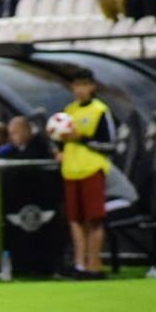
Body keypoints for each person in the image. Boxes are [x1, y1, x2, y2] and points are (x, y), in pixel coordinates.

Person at [58, 68, 116, 279]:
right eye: (76, 85)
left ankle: (95, 265)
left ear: (92, 86)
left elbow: (110, 145)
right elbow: (62, 140)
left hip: (92, 169)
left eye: (84, 84)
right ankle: (79, 265)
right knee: (75, 219)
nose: (80, 90)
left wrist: (81, 139)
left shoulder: (100, 110)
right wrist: (59, 149)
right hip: (71, 171)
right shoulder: (69, 111)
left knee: (94, 219)